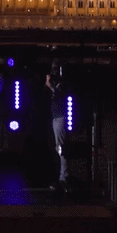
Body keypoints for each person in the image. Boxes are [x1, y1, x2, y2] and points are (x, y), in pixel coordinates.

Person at [45, 62, 69, 190]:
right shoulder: (55, 83)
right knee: (56, 147)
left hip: (61, 116)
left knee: (61, 147)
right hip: (54, 117)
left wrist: (50, 85)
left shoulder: (62, 83)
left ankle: (63, 178)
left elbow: (59, 95)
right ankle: (59, 177)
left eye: (55, 69)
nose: (53, 72)